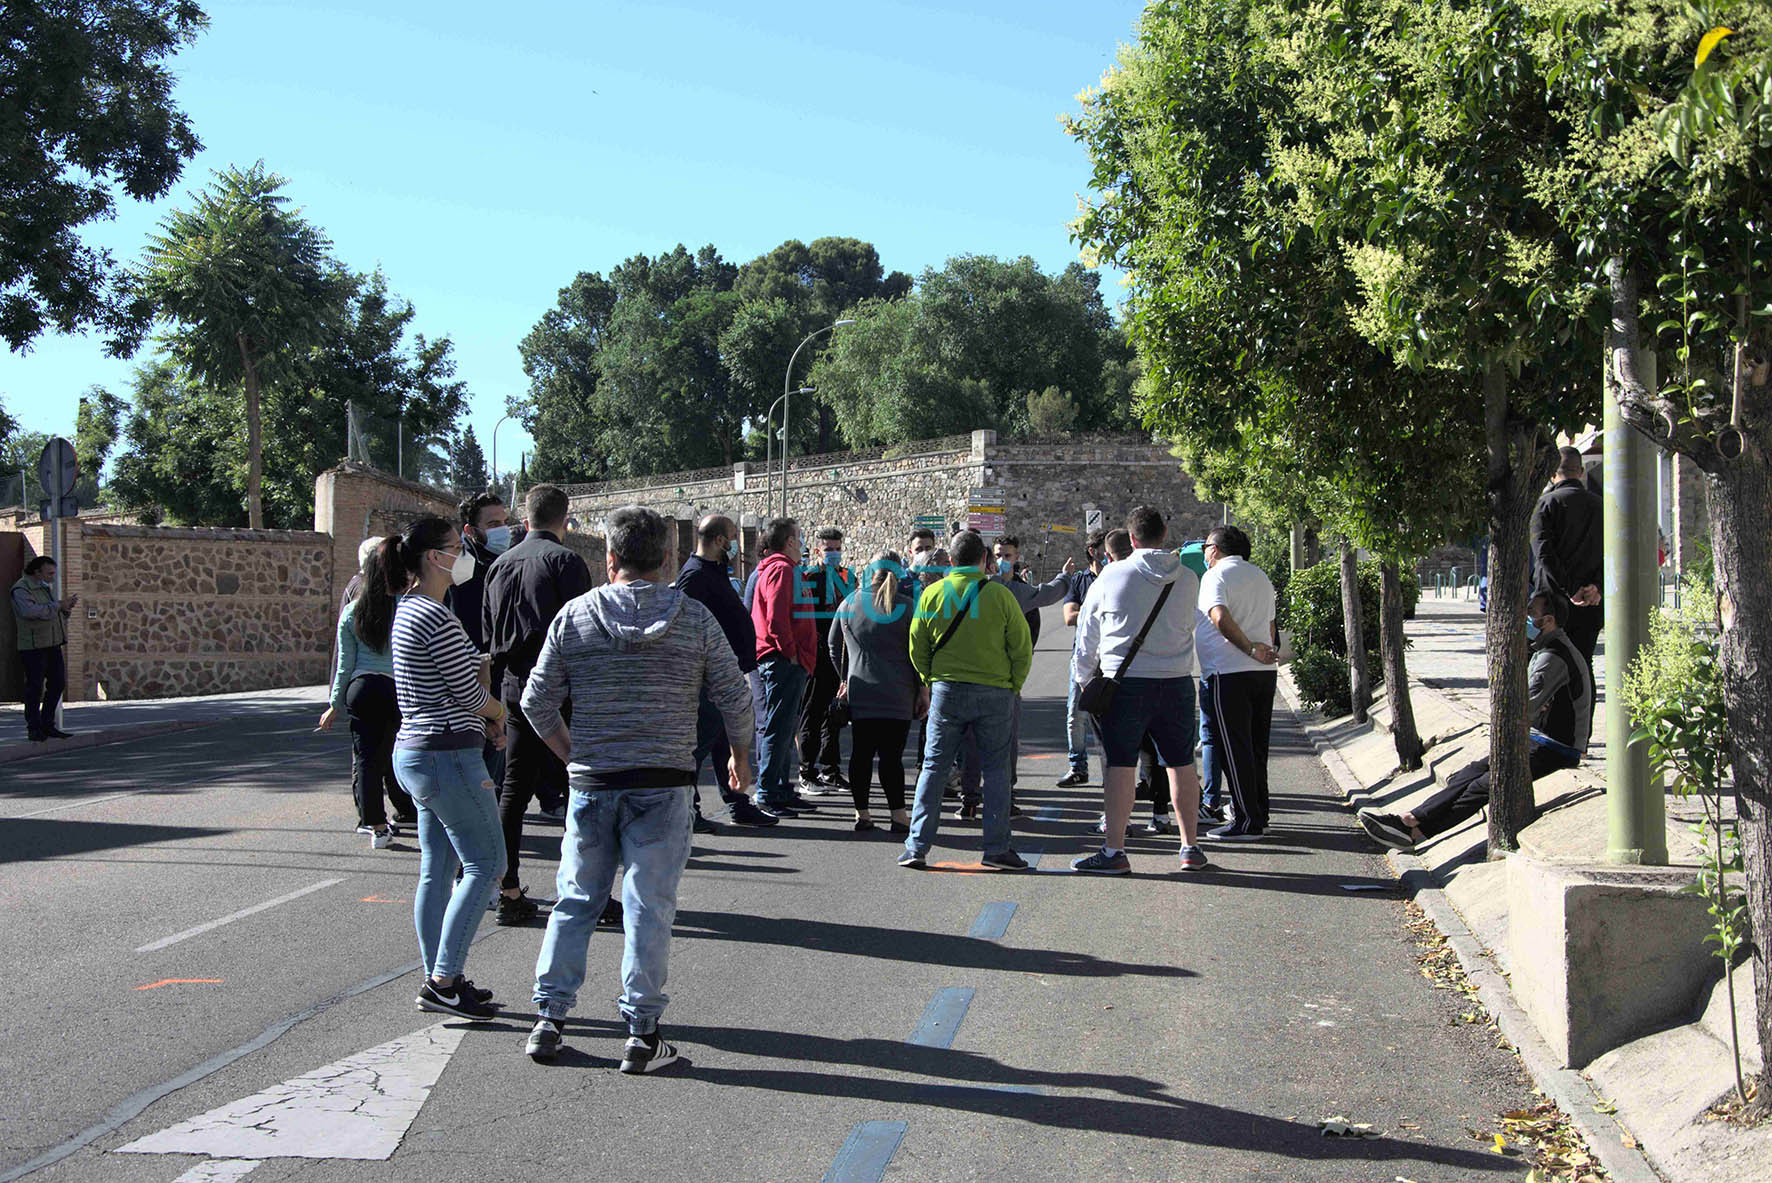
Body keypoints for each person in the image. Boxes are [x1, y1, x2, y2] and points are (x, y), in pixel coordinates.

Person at [522, 505, 753, 1071]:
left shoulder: (574, 617)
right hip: (665, 784)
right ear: (669, 559)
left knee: (576, 900)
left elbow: (535, 702)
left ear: (610, 558)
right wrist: (741, 759)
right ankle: (641, 1029)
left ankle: (550, 1018)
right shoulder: (694, 619)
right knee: (651, 907)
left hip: (595, 783)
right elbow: (736, 697)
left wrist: (572, 753)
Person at [387, 515, 510, 1021]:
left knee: (437, 870)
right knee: (487, 864)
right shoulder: (435, 617)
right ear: (436, 558)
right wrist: (501, 712)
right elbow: (468, 693)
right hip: (446, 755)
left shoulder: (408, 610)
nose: (463, 553)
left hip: (419, 751)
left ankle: (441, 975)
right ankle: (443, 979)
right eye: (456, 546)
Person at [1359, 593, 1592, 851]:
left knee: (1484, 785)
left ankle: (1416, 833)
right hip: (1537, 737)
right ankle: (1409, 819)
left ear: (1547, 620)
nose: (1524, 615)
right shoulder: (1544, 648)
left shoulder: (1554, 657)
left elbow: (1524, 709)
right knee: (1470, 772)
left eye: (1530, 612)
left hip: (1556, 746)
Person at [480, 483, 595, 925]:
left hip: (513, 686)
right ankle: (589, 891)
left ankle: (508, 890)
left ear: (525, 519)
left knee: (514, 790)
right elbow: (580, 633)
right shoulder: (566, 562)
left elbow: (488, 639)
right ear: (565, 520)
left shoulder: (498, 566)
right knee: (583, 788)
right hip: (560, 687)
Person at [1071, 507, 1208, 874]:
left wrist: (1086, 681)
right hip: (1177, 682)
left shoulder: (1112, 576)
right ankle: (1189, 846)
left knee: (1120, 767)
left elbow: (1087, 636)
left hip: (1125, 684)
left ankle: (1115, 851)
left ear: (1131, 539)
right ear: (1164, 533)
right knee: (1181, 765)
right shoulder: (1188, 578)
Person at [899, 531, 1033, 871]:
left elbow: (917, 646)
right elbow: (1021, 647)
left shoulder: (932, 594)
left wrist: (931, 679)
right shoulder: (1000, 596)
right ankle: (996, 848)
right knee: (996, 771)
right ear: (984, 561)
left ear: (952, 562)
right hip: (995, 692)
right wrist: (1013, 685)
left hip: (947, 691)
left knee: (934, 767)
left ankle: (917, 846)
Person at [955, 536, 1074, 816]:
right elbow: (1047, 595)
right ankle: (995, 801)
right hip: (1000, 681)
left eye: (1007, 555)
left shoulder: (971, 588)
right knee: (1000, 744)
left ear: (1016, 556)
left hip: (971, 679)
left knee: (974, 743)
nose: (1002, 560)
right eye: (998, 555)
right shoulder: (1007, 591)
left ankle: (974, 800)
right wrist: (1065, 578)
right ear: (988, 558)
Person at [674, 513, 777, 829]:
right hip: (707, 677)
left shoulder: (715, 572)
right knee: (699, 745)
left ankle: (737, 803)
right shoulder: (694, 577)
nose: (736, 544)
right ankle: (686, 811)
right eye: (732, 537)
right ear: (719, 540)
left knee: (724, 743)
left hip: (725, 673)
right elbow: (683, 626)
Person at [318, 538, 415, 848]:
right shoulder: (406, 606)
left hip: (361, 690)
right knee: (396, 754)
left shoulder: (351, 612)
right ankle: (415, 809)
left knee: (366, 759)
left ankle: (375, 825)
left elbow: (344, 664)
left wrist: (334, 704)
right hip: (395, 689)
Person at [830, 550, 925, 833]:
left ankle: (863, 814)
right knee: (891, 759)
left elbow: (834, 647)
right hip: (898, 695)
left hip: (860, 692)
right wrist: (922, 689)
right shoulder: (908, 607)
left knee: (860, 755)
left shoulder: (848, 604)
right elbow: (919, 652)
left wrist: (845, 678)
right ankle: (898, 816)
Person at [1196, 525, 1279, 841]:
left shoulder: (1215, 576)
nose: (1204, 552)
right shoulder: (1260, 576)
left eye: (1205, 546)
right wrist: (1260, 650)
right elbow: (1270, 625)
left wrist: (1246, 648)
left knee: (1234, 748)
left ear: (1215, 549)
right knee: (1256, 747)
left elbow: (1219, 616)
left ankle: (1246, 820)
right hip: (1261, 673)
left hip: (1227, 671)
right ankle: (1259, 811)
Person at [750, 517, 817, 818]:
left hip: (788, 660)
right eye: (799, 538)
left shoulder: (784, 570)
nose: (802, 544)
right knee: (778, 728)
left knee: (785, 726)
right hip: (783, 661)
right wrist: (790, 653)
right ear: (789, 541)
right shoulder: (780, 570)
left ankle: (778, 787)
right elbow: (777, 617)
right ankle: (767, 791)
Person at [1531, 446, 1603, 669]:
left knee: (1547, 660)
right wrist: (1596, 587)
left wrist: (1571, 589)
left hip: (1551, 601)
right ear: (1581, 471)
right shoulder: (1601, 506)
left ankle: (1554, 705)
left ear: (1553, 474)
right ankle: (1583, 705)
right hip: (1591, 602)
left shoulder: (1544, 505)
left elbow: (1543, 554)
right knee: (1583, 663)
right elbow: (1612, 551)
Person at [798, 526, 856, 795]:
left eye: (837, 548)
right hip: (817, 651)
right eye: (828, 549)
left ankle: (830, 768)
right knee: (812, 711)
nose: (834, 553)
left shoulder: (847, 576)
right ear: (818, 549)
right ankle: (806, 770)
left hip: (841, 653)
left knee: (834, 714)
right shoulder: (808, 577)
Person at [1057, 530, 1108, 788]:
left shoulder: (1118, 576)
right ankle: (1078, 766)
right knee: (1075, 715)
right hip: (1085, 655)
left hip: (1113, 658)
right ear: (1093, 551)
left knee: (1115, 718)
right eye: (1104, 547)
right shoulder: (1080, 581)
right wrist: (1102, 612)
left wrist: (1086, 612)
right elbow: (1069, 616)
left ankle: (1119, 772)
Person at [12, 556, 76, 742]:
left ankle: (48, 724)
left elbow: (52, 612)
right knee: (35, 686)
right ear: (37, 571)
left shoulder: (44, 588)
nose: (52, 577)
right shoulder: (21, 589)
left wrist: (65, 609)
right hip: (33, 646)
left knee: (57, 683)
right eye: (49, 573)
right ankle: (33, 727)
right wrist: (57, 605)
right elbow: (30, 612)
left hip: (52, 643)